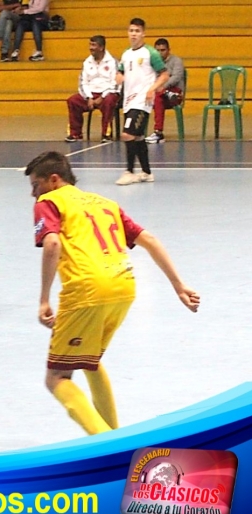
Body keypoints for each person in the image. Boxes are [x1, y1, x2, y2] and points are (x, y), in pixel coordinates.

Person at [26, 150, 200, 436]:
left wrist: (44, 299)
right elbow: (150, 239)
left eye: (36, 185)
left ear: (54, 180)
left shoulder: (49, 202)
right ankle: (114, 434)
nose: (34, 194)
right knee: (90, 360)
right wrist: (179, 285)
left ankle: (108, 448)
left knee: (56, 378)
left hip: (86, 289)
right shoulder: (105, 203)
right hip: (124, 287)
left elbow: (52, 245)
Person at [115, 18, 169, 186]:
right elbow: (121, 71)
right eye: (131, 31)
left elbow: (164, 74)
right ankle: (146, 172)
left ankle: (129, 171)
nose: (134, 34)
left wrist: (152, 89)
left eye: (137, 31)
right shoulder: (125, 54)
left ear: (143, 34)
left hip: (142, 101)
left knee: (127, 134)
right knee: (137, 137)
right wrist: (118, 76)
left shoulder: (150, 53)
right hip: (129, 100)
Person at [65, 35, 119, 143]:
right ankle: (76, 134)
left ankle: (106, 134)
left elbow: (116, 83)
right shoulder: (87, 62)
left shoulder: (113, 62)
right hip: (91, 94)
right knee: (72, 101)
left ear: (101, 47)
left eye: (93, 45)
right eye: (90, 44)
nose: (91, 48)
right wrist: (89, 97)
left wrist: (102, 97)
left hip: (108, 93)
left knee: (109, 101)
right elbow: (82, 82)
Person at [145, 38, 185, 144]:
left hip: (175, 95)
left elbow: (176, 77)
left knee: (158, 95)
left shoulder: (177, 61)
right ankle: (157, 133)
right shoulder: (152, 63)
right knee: (158, 98)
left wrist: (163, 87)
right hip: (159, 94)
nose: (160, 53)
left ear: (168, 50)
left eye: (162, 50)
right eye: (157, 50)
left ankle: (158, 133)